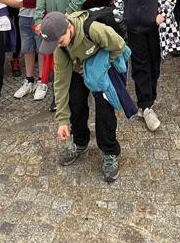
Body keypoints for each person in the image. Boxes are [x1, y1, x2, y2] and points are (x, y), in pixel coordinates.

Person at [41, 10, 126, 183]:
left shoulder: (93, 29)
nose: (58, 45)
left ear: (69, 28)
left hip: (101, 65)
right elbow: (60, 85)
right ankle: (80, 142)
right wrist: (62, 121)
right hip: (78, 68)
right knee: (75, 101)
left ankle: (109, 151)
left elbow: (119, 45)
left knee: (104, 107)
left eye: (60, 41)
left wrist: (101, 65)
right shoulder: (61, 49)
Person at [114, 0, 178, 132]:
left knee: (155, 65)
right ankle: (146, 105)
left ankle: (148, 100)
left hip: (155, 25)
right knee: (140, 65)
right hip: (134, 25)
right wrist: (120, 16)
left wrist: (163, 14)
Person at [35, 0, 88, 107]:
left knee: (72, 59)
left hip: (69, 21)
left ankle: (75, 94)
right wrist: (38, 19)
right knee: (57, 62)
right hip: (52, 23)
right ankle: (59, 97)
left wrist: (67, 13)